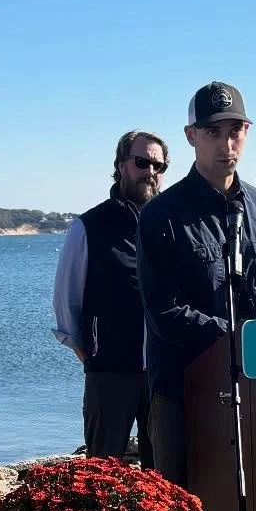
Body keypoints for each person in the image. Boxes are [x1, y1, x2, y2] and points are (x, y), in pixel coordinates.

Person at [137, 81, 256, 485]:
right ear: (191, 136)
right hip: (184, 392)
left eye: (235, 131)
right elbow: (164, 311)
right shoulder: (161, 215)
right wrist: (239, 339)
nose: (226, 144)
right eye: (213, 133)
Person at [51, 129, 167, 465]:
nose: (150, 172)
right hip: (109, 373)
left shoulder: (169, 225)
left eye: (159, 166)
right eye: (142, 162)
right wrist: (88, 352)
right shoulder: (88, 227)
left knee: (163, 470)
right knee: (104, 471)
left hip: (162, 372)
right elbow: (66, 302)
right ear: (121, 165)